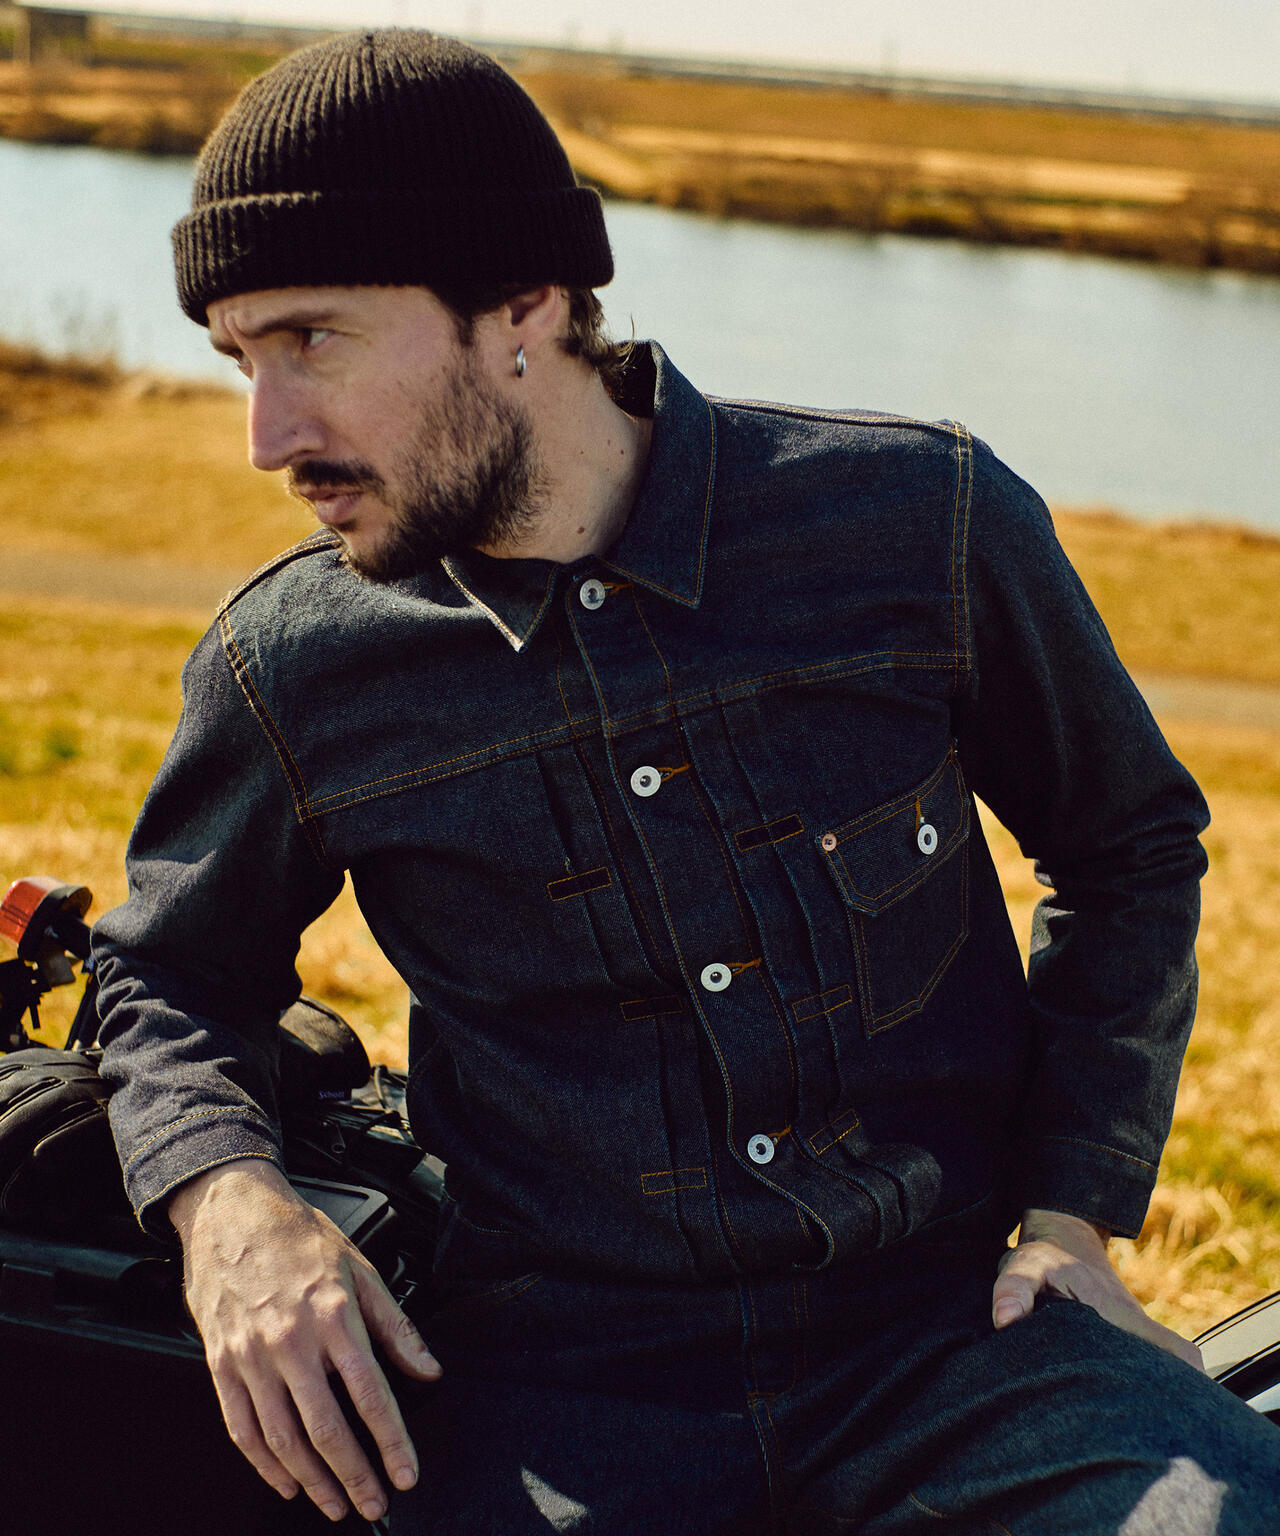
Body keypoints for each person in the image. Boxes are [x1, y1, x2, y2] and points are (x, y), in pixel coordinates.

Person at [92, 27, 1280, 1535]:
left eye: (312, 342)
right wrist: (229, 1206)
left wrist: (1073, 1210)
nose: (268, 437)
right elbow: (166, 976)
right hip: (551, 1397)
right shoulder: (290, 665)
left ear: (523, 304)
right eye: (238, 361)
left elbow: (1130, 845)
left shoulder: (920, 522)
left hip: (959, 1344)